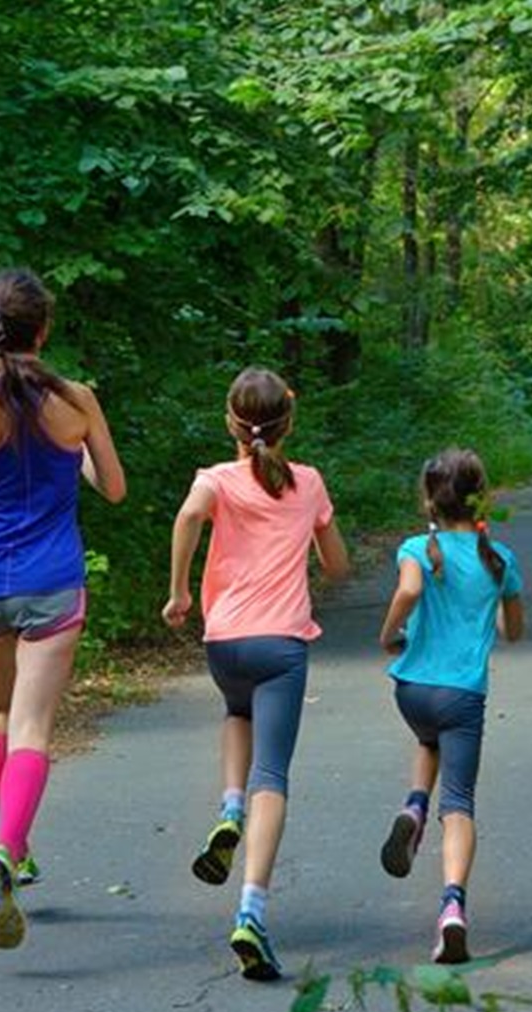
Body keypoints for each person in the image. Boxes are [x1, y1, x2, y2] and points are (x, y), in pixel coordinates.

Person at [0, 268, 125, 951]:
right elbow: (115, 488)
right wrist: (79, 456)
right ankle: (8, 851)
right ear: (44, 328)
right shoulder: (80, 401)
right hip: (52, 582)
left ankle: (19, 847)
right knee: (35, 726)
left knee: (5, 711)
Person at [162, 366, 350, 980]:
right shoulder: (309, 483)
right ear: (287, 424)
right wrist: (318, 540)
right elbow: (339, 566)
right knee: (276, 771)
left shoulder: (215, 480)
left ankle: (230, 807)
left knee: (234, 711)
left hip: (225, 643)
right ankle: (251, 913)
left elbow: (188, 517)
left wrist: (180, 593)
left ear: (231, 424)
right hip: (281, 645)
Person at [375, 448, 524, 964]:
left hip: (412, 691)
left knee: (426, 738)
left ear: (428, 500)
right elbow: (513, 632)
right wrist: (491, 614)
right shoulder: (500, 559)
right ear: (481, 498)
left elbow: (411, 589)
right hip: (463, 697)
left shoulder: (417, 547)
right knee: (459, 804)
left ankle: (414, 804)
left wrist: (390, 631)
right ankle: (452, 909)